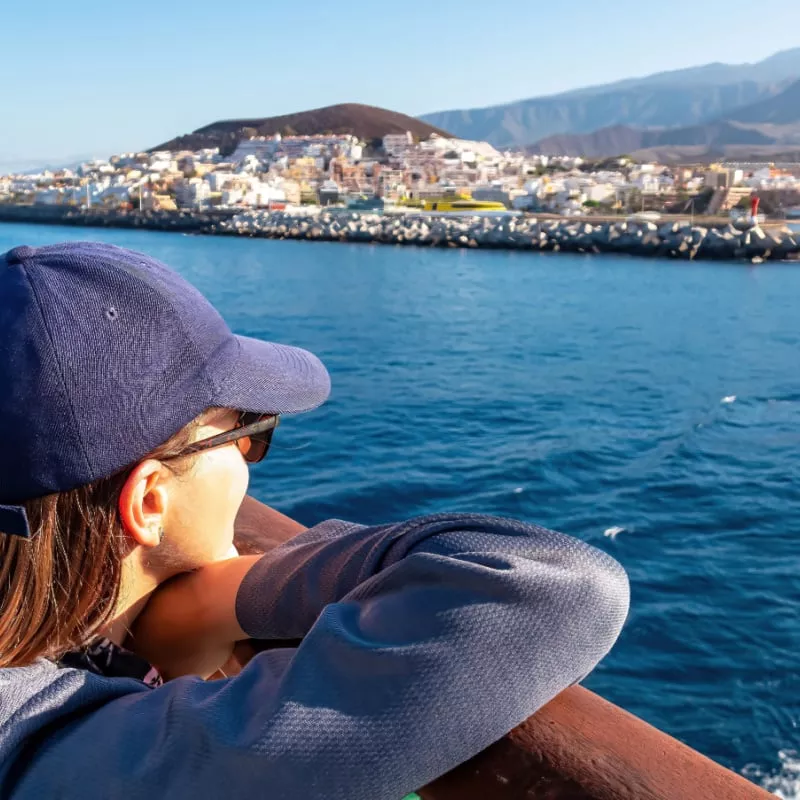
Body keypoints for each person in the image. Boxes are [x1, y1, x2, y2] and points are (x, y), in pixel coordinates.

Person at [0, 242, 630, 799]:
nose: (251, 458)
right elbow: (554, 583)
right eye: (248, 433)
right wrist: (238, 590)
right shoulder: (58, 755)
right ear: (149, 502)